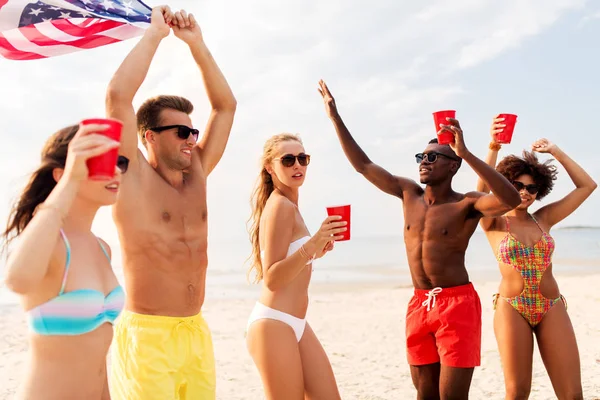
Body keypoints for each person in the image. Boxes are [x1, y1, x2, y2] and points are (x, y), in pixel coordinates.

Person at [317, 80, 522, 399]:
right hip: (419, 302)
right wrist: (335, 116)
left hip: (457, 305)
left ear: (453, 164)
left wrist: (466, 152)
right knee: (424, 394)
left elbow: (509, 199)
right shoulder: (407, 192)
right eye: (421, 157)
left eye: (433, 157)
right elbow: (363, 165)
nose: (423, 162)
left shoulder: (466, 204)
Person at [105, 5, 236, 400]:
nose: (191, 140)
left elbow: (225, 106)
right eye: (180, 131)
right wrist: (155, 35)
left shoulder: (197, 173)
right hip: (149, 334)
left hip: (194, 331)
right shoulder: (132, 179)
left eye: (193, 131)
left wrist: (196, 44)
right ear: (148, 136)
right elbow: (117, 96)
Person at [2, 122, 128, 400]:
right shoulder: (51, 245)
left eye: (119, 161)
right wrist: (72, 178)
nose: (116, 170)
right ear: (62, 173)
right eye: (101, 161)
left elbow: (96, 359)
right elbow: (17, 279)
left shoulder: (102, 248)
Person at [475, 117, 597, 400]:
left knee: (572, 394)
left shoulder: (544, 219)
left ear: (538, 190)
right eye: (517, 185)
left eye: (531, 188)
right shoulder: (492, 221)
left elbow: (587, 187)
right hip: (511, 307)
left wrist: (555, 151)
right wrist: (493, 146)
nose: (524, 192)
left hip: (551, 306)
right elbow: (479, 193)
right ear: (505, 184)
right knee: (517, 393)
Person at [245, 133, 346, 400]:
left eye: (303, 158)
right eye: (288, 160)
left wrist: (317, 251)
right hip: (273, 323)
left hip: (296, 323)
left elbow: (290, 262)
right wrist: (311, 246)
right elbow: (272, 278)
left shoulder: (290, 205)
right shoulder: (280, 206)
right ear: (270, 167)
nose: (297, 166)